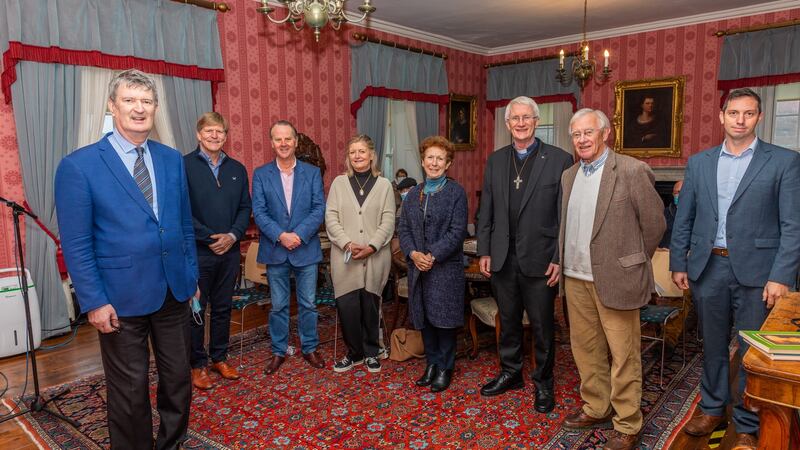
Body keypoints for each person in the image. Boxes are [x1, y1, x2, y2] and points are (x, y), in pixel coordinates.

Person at [55, 69, 199, 450]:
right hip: (118, 299)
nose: (139, 109)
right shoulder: (79, 165)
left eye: (147, 101)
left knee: (178, 380)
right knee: (129, 390)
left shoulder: (170, 159)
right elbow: (77, 243)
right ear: (112, 106)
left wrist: (190, 273)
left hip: (174, 291)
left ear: (155, 108)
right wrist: (94, 301)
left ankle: (172, 444)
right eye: (130, 100)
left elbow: (184, 224)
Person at [670, 88, 800, 449]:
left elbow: (793, 224)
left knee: (750, 351)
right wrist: (679, 261)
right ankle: (712, 409)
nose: (740, 120)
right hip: (708, 267)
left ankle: (746, 424)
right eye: (733, 113)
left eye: (748, 113)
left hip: (759, 274)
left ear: (758, 117)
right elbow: (686, 217)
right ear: (722, 116)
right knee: (711, 345)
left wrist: (781, 276)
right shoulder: (700, 162)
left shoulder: (784, 161)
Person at [559, 108, 665, 450]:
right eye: (576, 135)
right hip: (575, 278)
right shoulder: (569, 175)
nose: (582, 140)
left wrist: (633, 261)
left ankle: (628, 423)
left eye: (588, 132)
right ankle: (597, 406)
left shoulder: (632, 170)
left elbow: (654, 225)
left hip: (617, 278)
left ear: (606, 133)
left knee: (624, 355)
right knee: (586, 350)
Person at [476, 96, 573, 413]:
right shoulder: (496, 160)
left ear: (536, 120)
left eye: (526, 118)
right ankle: (511, 373)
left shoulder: (559, 159)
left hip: (541, 257)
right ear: (507, 125)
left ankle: (544, 383)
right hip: (503, 256)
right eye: (514, 118)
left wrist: (559, 256)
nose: (520, 123)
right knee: (509, 320)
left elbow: (565, 214)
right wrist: (485, 249)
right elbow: (486, 208)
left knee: (544, 326)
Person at [252, 120, 326, 374]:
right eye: (278, 139)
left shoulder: (312, 173)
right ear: (272, 143)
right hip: (276, 249)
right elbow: (259, 212)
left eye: (288, 139)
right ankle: (278, 350)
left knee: (308, 304)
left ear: (295, 141)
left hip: (305, 248)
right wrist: (281, 236)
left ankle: (310, 347)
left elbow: (319, 209)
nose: (283, 143)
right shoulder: (261, 174)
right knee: (279, 305)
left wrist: (298, 235)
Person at [184, 112, 252, 389]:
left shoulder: (237, 168)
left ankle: (219, 357)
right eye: (209, 131)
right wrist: (210, 237)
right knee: (197, 311)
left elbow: (245, 207)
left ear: (226, 136)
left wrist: (233, 235)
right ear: (199, 134)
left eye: (220, 132)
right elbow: (180, 210)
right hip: (199, 252)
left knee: (224, 308)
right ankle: (197, 365)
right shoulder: (183, 166)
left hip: (230, 252)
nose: (215, 136)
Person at [398, 136, 468, 393]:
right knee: (425, 318)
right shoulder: (413, 194)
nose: (434, 162)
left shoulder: (455, 193)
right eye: (430, 157)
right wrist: (414, 253)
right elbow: (403, 228)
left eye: (440, 158)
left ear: (448, 163)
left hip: (445, 269)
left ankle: (445, 367)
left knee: (444, 321)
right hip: (418, 268)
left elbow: (457, 231)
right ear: (423, 160)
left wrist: (432, 255)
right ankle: (432, 362)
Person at [325, 135, 395, 373]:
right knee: (348, 307)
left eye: (362, 151)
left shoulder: (384, 185)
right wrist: (346, 243)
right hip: (345, 257)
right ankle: (353, 354)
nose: (357, 156)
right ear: (348, 156)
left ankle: (371, 352)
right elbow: (331, 218)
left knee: (371, 304)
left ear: (372, 155)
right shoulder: (338, 183)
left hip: (375, 257)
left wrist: (372, 246)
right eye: (353, 152)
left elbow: (388, 220)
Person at [659, 180, 683, 248]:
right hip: (666, 252)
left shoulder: (697, 213)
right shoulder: (665, 213)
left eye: (681, 192)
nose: (678, 195)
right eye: (676, 193)